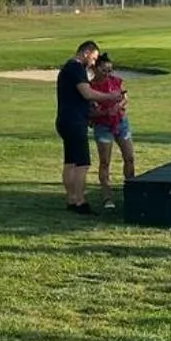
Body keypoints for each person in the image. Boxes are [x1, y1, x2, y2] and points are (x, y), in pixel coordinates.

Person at [55, 40, 115, 214]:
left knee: (70, 162)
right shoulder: (77, 68)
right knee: (82, 164)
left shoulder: (67, 68)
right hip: (75, 122)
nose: (94, 62)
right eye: (94, 58)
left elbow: (79, 95)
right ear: (86, 52)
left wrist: (92, 103)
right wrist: (110, 96)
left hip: (64, 120)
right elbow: (87, 93)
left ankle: (71, 199)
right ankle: (80, 201)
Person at [87, 54, 134, 209]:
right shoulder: (90, 88)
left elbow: (124, 97)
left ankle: (130, 191)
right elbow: (91, 112)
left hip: (121, 123)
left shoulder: (115, 81)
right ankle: (107, 197)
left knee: (129, 157)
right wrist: (106, 112)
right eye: (104, 70)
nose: (108, 73)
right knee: (105, 162)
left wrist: (119, 105)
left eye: (110, 70)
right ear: (95, 69)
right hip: (103, 126)